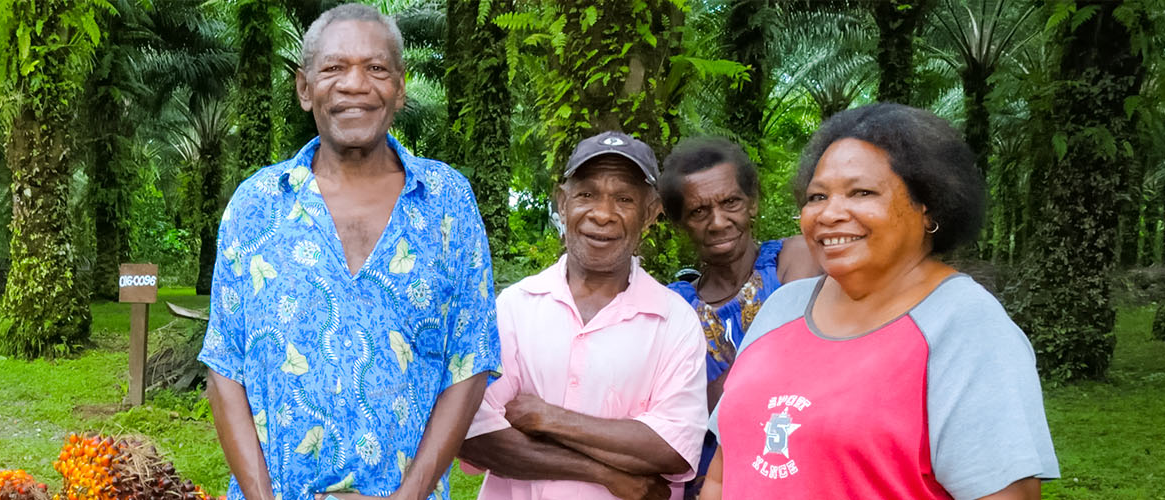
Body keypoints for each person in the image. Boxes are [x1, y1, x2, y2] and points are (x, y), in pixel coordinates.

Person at [197, 5, 499, 500]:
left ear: (400, 88)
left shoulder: (448, 202)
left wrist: (411, 494)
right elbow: (225, 367)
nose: (355, 84)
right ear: (304, 88)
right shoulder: (256, 204)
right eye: (334, 68)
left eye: (376, 68)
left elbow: (469, 361)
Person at [705, 104, 1060, 499]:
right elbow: (724, 472)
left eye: (861, 192)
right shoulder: (782, 308)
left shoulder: (965, 326)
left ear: (929, 208)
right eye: (817, 196)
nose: (830, 213)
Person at [459, 131, 706, 500]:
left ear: (650, 213)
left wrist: (546, 418)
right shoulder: (515, 306)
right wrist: (607, 473)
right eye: (587, 194)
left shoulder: (674, 321)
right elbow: (474, 437)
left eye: (624, 199)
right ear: (562, 202)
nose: (603, 214)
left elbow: (672, 448)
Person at [654, 137, 821, 497]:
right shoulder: (672, 304)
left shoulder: (795, 257)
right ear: (680, 223)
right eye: (698, 211)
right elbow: (679, 414)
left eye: (731, 202)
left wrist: (712, 391)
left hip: (795, 474)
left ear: (753, 203)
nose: (717, 222)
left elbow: (806, 366)